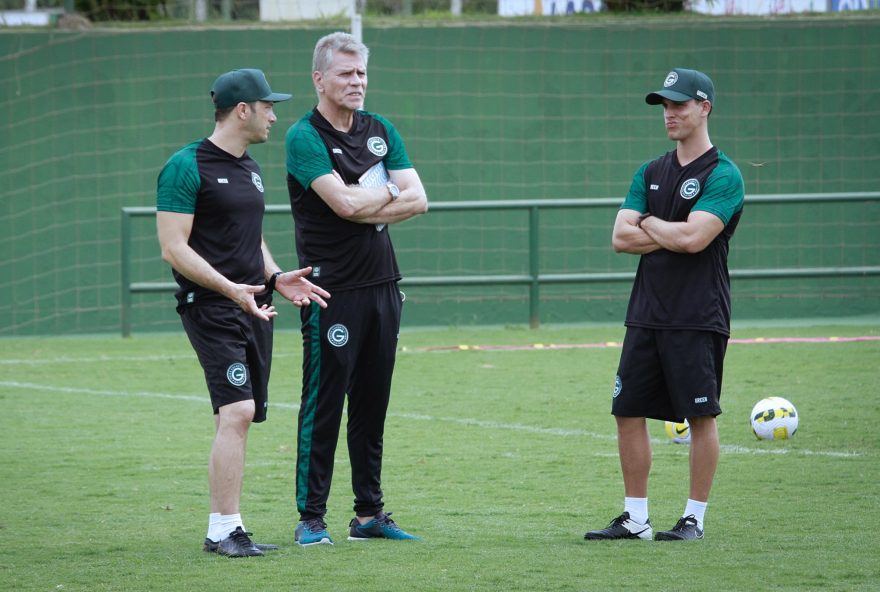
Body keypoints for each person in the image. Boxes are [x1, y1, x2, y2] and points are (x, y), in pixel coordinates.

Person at [156, 68, 331, 557]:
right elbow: (173, 248)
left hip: (253, 305)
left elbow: (249, 238)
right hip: (212, 306)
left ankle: (226, 527)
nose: (274, 115)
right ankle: (223, 530)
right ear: (242, 110)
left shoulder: (250, 168)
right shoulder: (185, 165)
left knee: (236, 417)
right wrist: (230, 289)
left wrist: (275, 277)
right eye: (268, 106)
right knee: (238, 410)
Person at [584, 68, 744, 542]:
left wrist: (650, 223)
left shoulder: (724, 175)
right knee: (626, 409)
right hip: (646, 313)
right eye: (664, 106)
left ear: (704, 108)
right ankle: (636, 519)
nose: (669, 114)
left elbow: (695, 239)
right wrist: (668, 228)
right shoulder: (650, 171)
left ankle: (693, 518)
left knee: (700, 416)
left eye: (678, 105)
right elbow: (619, 237)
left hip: (698, 315)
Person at [284, 32, 428, 546]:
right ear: (319, 79)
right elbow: (342, 207)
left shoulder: (380, 130)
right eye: (346, 73)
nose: (357, 82)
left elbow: (421, 199)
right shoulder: (304, 137)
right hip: (331, 291)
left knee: (373, 404)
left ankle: (369, 515)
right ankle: (311, 519)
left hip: (383, 287)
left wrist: (372, 194)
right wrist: (388, 192)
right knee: (323, 405)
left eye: (361, 73)